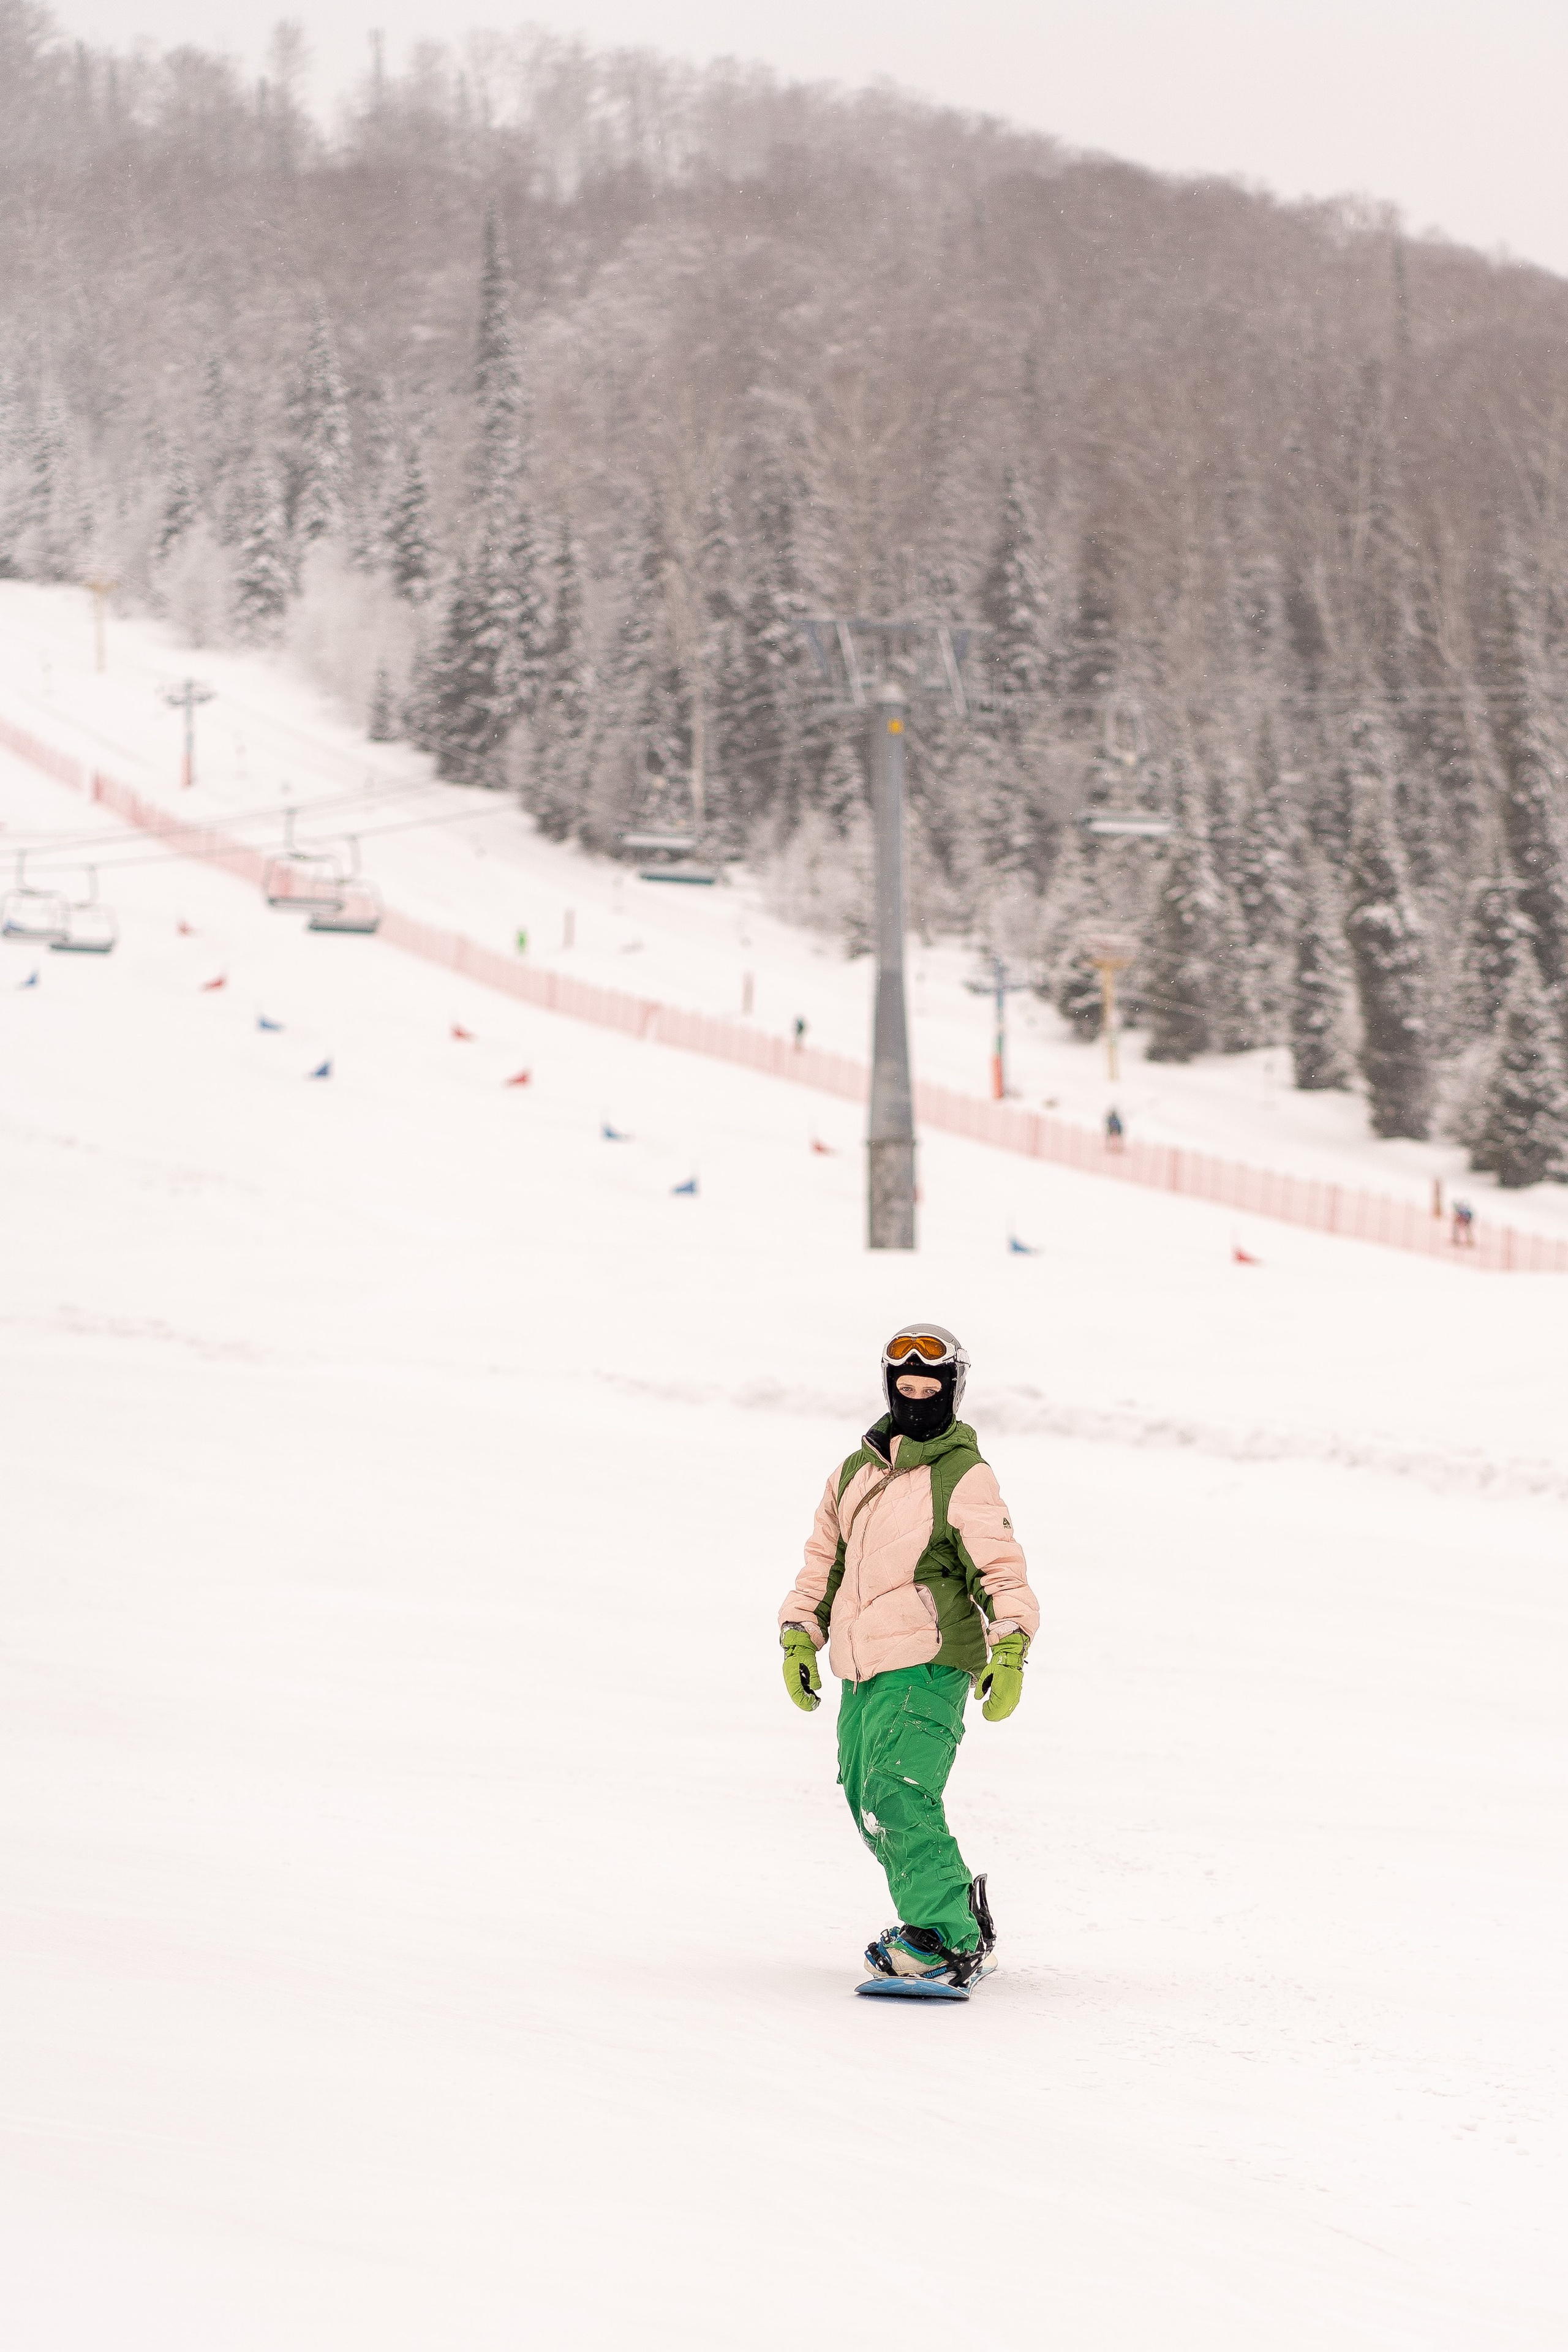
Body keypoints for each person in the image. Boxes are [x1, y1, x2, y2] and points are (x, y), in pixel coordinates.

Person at [777, 1324, 1039, 1989]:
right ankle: (941, 1925)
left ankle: (948, 1939)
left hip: (930, 1658)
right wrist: (800, 1634)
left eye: (931, 1389)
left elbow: (1000, 1569)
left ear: (952, 1394)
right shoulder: (853, 1473)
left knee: (899, 1792)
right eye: (906, 1388)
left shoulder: (962, 1475)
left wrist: (1009, 1647)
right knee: (868, 1798)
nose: (917, 1400)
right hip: (862, 1668)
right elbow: (823, 1565)